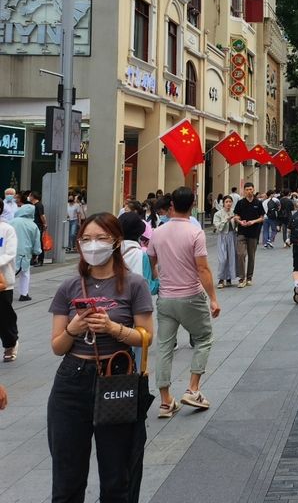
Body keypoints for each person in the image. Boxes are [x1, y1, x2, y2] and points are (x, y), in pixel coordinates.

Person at [47, 212, 154, 502]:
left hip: (116, 378)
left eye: (101, 238)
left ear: (116, 241)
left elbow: (146, 336)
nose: (93, 245)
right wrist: (73, 328)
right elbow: (57, 346)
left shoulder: (134, 285)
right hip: (72, 380)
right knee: (67, 477)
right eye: (86, 239)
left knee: (117, 475)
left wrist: (113, 328)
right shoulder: (69, 287)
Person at [147, 187, 220, 418]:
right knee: (204, 338)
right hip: (191, 296)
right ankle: (193, 389)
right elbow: (202, 268)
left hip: (166, 299)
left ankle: (165, 401)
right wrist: (213, 299)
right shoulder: (195, 232)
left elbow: (150, 257)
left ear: (171, 206)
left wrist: (158, 275)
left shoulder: (158, 232)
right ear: (193, 204)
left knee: (164, 348)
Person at [233, 182, 264, 288]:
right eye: (247, 189)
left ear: (253, 190)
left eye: (250, 189)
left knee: (252, 256)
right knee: (240, 254)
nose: (249, 191)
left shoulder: (258, 203)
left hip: (253, 233)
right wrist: (240, 222)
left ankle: (249, 277)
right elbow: (236, 216)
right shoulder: (240, 203)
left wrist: (253, 221)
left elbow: (262, 217)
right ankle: (242, 278)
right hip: (241, 232)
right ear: (244, 190)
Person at [0, 201, 18, 363]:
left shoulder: (7, 230)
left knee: (4, 317)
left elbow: (10, 253)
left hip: (3, 282)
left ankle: (10, 344)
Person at [12, 204, 41, 302]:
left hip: (10, 251)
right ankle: (24, 294)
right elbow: (36, 241)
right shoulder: (33, 225)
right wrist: (37, 252)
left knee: (8, 272)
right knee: (24, 273)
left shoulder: (12, 221)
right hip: (24, 253)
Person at [213, 196, 239, 288]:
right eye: (226, 202)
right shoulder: (218, 214)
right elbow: (218, 226)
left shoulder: (234, 212)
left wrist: (238, 221)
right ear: (223, 203)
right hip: (223, 237)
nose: (228, 203)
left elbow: (237, 225)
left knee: (231, 257)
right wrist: (227, 219)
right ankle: (221, 279)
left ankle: (229, 278)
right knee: (223, 259)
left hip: (232, 236)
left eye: (230, 202)